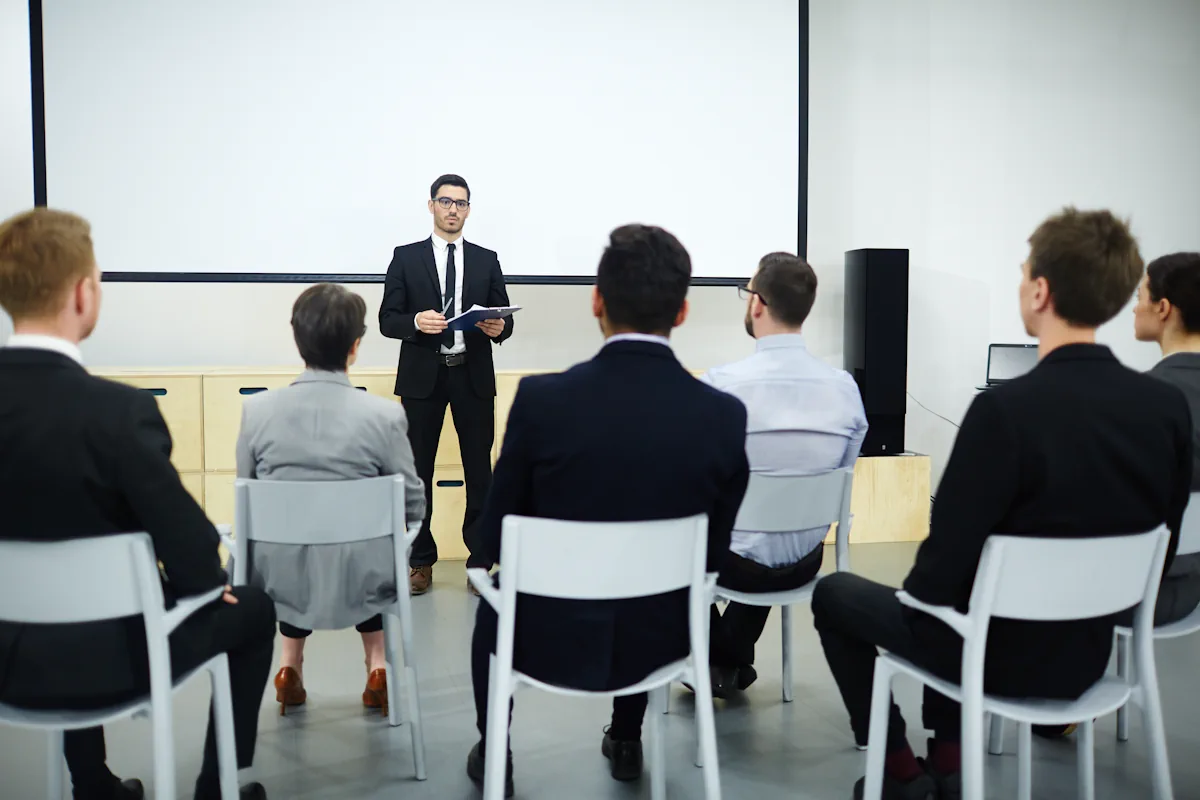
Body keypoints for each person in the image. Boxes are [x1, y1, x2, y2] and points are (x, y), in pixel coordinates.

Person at [811, 207, 1192, 800]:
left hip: (995, 659)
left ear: (1040, 292)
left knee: (836, 593)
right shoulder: (1162, 409)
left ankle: (901, 773)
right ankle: (949, 756)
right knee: (962, 591)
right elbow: (1160, 547)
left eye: (1022, 274)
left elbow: (934, 581)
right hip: (1092, 658)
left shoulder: (1003, 412)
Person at [465, 224, 750, 796]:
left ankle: (496, 747)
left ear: (596, 299)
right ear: (684, 310)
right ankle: (626, 734)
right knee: (647, 589)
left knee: (489, 613)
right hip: (666, 640)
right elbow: (714, 555)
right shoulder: (722, 415)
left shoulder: (541, 402)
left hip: (543, 637)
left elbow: (492, 538)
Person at [0, 209, 273, 800]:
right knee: (250, 607)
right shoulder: (117, 414)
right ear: (83, 292)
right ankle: (214, 786)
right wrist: (199, 585)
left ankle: (93, 783)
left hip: (8, 660)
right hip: (114, 665)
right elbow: (199, 565)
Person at [236, 284, 426, 716]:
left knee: (298, 546)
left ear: (297, 339)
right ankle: (377, 665)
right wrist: (404, 543)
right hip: (365, 576)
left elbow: (246, 495)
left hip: (280, 582)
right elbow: (413, 501)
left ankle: (289, 665)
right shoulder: (384, 416)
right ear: (355, 347)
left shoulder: (258, 412)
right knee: (362, 548)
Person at [702, 252, 867, 697]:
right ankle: (730, 662)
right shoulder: (844, 388)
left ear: (757, 303)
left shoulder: (722, 384)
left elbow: (699, 482)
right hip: (805, 562)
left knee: (678, 541)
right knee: (767, 535)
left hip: (733, 567)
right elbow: (843, 476)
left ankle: (716, 659)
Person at [378, 174, 514, 595]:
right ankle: (420, 561)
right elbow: (387, 319)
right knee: (417, 471)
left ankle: (479, 563)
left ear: (469, 210)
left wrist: (499, 327)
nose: (453, 209)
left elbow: (505, 318)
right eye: (445, 201)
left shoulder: (487, 259)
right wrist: (416, 322)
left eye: (461, 203)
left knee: (480, 472)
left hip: (471, 374)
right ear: (432, 206)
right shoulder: (406, 257)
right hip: (423, 377)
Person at [1130, 251, 1200, 622]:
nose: (1134, 309)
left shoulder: (1142, 397)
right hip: (1193, 585)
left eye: (1140, 297)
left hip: (1141, 593)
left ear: (1163, 308)